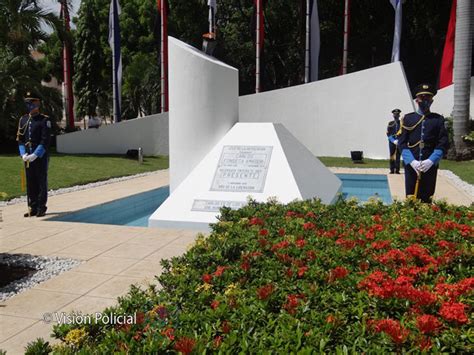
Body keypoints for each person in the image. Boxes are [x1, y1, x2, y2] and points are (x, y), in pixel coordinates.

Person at [398, 84, 449, 203]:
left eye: (427, 98)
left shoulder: (438, 120)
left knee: (427, 197)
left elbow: (443, 142)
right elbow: (402, 143)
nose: (425, 100)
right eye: (422, 98)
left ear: (432, 100)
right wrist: (412, 161)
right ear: (417, 100)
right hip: (412, 165)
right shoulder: (408, 119)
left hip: (429, 165)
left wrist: (431, 161)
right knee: (411, 197)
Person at [16, 93, 51, 217]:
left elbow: (45, 140)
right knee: (31, 182)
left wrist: (36, 154)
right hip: (27, 155)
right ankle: (33, 207)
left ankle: (42, 207)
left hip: (40, 156)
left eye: (32, 103)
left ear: (37, 104)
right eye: (28, 104)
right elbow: (20, 139)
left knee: (41, 180)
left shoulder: (44, 119)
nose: (30, 106)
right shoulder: (23, 119)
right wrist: (23, 154)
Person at [386, 108, 402, 174]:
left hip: (399, 142)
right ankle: (392, 170)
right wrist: (393, 141)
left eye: (397, 114)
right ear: (393, 115)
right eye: (395, 114)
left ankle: (397, 170)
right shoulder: (390, 123)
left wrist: (400, 140)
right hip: (392, 142)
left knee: (398, 155)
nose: (396, 116)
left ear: (399, 115)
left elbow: (403, 133)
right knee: (392, 155)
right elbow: (388, 134)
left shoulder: (401, 123)